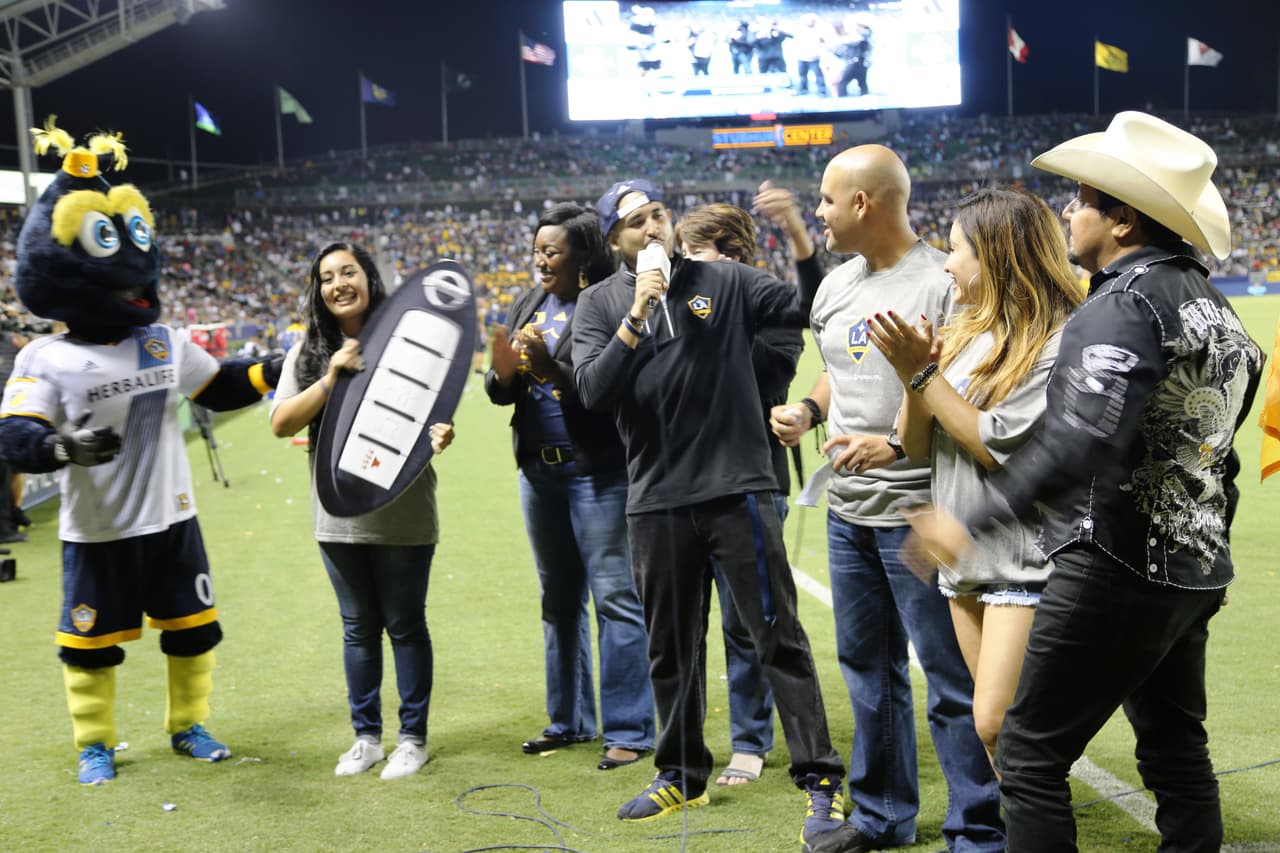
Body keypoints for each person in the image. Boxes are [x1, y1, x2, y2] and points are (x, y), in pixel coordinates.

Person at [907, 112, 1265, 852]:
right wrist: (1213, 548)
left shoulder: (1123, 303)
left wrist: (971, 520)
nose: (1068, 211)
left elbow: (1076, 441)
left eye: (1081, 199)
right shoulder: (1220, 311)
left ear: (1123, 218)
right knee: (1176, 750)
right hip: (1193, 566)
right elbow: (1219, 457)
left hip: (1116, 561)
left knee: (1028, 753)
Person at [574, 178, 861, 853]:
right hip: (656, 501)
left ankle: (820, 777)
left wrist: (797, 235)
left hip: (738, 490)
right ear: (614, 241)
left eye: (657, 214)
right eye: (635, 222)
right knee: (670, 648)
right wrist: (635, 316)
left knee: (777, 636)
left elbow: (806, 306)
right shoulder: (601, 302)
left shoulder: (723, 280)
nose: (651, 228)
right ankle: (680, 773)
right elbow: (591, 390)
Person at [0, 122, 283, 785]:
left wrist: (274, 369)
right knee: (89, 646)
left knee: (193, 630)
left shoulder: (161, 341)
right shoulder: (44, 356)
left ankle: (188, 725)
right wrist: (60, 445)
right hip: (96, 531)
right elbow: (12, 434)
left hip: (172, 520)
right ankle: (95, 743)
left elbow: (220, 385)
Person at [770, 145, 1004, 852]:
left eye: (826, 200)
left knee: (951, 675)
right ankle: (882, 816)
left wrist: (899, 445)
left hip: (922, 511)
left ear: (862, 203)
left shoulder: (943, 282)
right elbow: (839, 368)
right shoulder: (835, 286)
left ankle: (978, 827)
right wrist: (809, 410)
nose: (819, 212)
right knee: (868, 671)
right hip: (849, 510)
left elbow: (965, 389)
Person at [865, 187, 1083, 765]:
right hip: (964, 559)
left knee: (997, 723)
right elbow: (916, 446)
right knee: (998, 741)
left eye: (957, 249)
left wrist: (923, 375)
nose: (947, 264)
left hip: (1023, 556)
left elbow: (993, 446)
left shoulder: (1058, 340)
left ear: (998, 256)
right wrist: (913, 375)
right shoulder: (964, 330)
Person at [270, 241, 454, 781]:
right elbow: (281, 423)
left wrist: (442, 433)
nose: (338, 284)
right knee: (357, 629)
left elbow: (434, 414)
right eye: (327, 278)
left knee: (405, 625)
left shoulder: (409, 342)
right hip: (338, 515)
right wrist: (330, 378)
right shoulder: (308, 353)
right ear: (318, 291)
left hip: (404, 510)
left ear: (370, 279)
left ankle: (413, 740)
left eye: (348, 272)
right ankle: (366, 738)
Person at [484, 203, 655, 772]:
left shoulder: (604, 302)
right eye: (536, 250)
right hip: (539, 471)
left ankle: (629, 729)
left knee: (615, 599)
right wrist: (503, 372)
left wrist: (546, 368)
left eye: (551, 251)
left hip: (598, 471)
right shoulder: (528, 302)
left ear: (582, 255)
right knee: (557, 601)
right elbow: (502, 392)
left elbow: (602, 391)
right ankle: (568, 720)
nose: (539, 260)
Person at [675, 201, 803, 788]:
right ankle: (683, 745)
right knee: (682, 626)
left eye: (695, 254)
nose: (686, 265)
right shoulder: (678, 304)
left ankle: (750, 741)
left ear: (730, 253)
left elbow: (772, 376)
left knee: (747, 622)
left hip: (750, 481)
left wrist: (717, 318)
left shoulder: (768, 301)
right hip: (681, 484)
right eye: (682, 254)